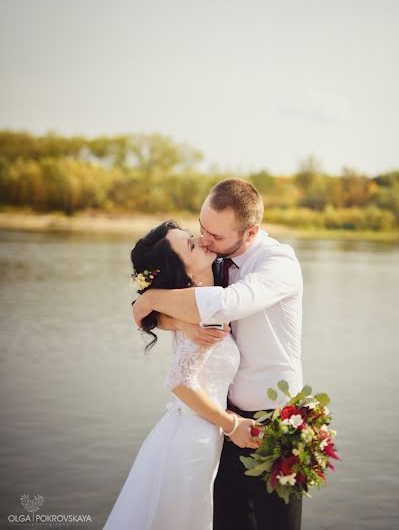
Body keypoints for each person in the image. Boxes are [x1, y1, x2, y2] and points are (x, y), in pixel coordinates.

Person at [133, 178, 304, 530]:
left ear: (251, 232)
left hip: (271, 424)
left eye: (216, 236)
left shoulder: (278, 263)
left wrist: (149, 300)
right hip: (219, 423)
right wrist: (175, 321)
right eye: (201, 228)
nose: (204, 241)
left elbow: (226, 304)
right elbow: (166, 296)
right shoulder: (211, 260)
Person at [104, 219, 256, 530]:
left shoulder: (197, 301)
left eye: (191, 236)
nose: (202, 240)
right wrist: (232, 424)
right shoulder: (200, 313)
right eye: (190, 245)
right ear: (183, 272)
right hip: (192, 442)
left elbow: (146, 310)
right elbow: (179, 382)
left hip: (192, 431)